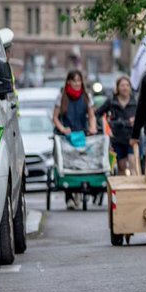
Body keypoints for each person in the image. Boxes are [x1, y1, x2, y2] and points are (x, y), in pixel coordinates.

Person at [52, 70, 98, 209]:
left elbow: (91, 115)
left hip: (81, 134)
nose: (77, 83)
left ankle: (79, 190)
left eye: (79, 80)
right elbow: (55, 117)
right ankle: (70, 197)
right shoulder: (62, 96)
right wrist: (62, 129)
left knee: (81, 162)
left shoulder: (86, 96)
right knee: (68, 164)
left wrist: (93, 127)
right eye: (74, 80)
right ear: (68, 82)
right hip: (67, 135)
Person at [96, 76, 137, 175]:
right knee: (121, 167)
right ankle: (123, 189)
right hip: (117, 139)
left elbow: (145, 115)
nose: (125, 88)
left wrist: (137, 120)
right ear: (118, 87)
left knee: (133, 164)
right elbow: (97, 114)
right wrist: (106, 126)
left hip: (132, 138)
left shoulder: (135, 101)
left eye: (127, 85)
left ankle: (134, 188)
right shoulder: (111, 101)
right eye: (122, 85)